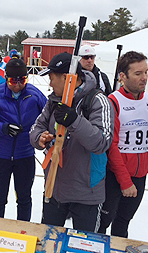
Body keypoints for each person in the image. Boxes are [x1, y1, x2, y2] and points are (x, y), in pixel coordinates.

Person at [29, 52, 114, 232]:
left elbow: (102, 142)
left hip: (87, 193)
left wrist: (74, 120)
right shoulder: (53, 101)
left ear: (67, 78)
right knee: (49, 242)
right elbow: (36, 127)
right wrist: (40, 138)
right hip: (55, 189)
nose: (50, 83)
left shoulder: (98, 101)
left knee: (85, 246)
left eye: (52, 78)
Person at [98, 51, 148, 238]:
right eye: (138, 73)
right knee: (102, 223)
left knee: (123, 222)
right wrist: (125, 181)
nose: (144, 78)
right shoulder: (113, 101)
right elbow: (112, 146)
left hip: (139, 175)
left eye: (146, 72)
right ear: (123, 77)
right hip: (114, 176)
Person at [0, 58, 47, 221]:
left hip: (25, 156)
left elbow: (48, 117)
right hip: (0, 156)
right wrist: (2, 128)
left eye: (22, 79)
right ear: (6, 78)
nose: (17, 84)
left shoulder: (34, 94)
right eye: (12, 80)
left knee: (24, 198)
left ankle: (22, 233)